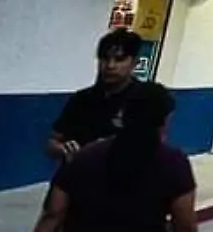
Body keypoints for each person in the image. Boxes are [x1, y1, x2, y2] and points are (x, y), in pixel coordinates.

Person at [34, 81, 196, 232]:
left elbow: (54, 213)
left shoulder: (85, 156)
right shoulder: (174, 163)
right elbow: (185, 225)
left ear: (122, 115)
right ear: (166, 119)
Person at [45, 30, 142, 163]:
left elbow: (153, 150)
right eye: (105, 58)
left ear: (134, 62)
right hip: (75, 178)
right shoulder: (81, 99)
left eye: (119, 59)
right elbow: (52, 142)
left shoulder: (144, 100)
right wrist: (63, 149)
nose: (110, 66)